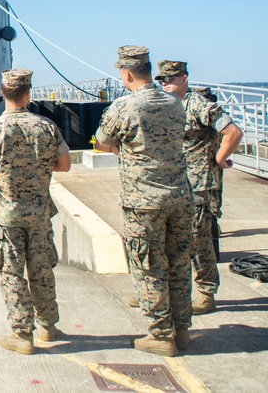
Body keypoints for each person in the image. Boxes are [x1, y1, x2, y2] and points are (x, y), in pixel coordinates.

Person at [94, 46, 194, 357]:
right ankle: (183, 329)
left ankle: (160, 335)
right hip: (180, 196)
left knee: (148, 265)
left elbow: (102, 142)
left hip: (144, 201)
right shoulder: (176, 103)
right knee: (179, 263)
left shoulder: (124, 107)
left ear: (126, 74)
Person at [0, 68, 71, 355]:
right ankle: (49, 326)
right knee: (41, 271)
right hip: (40, 214)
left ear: (3, 94)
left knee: (11, 274)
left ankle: (22, 334)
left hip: (6, 216)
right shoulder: (47, 127)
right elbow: (64, 165)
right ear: (28, 94)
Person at [155, 60, 243, 315]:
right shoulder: (169, 106)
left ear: (184, 78)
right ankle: (167, 292)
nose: (165, 84)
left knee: (198, 239)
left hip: (200, 185)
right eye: (162, 80)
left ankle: (206, 292)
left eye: (170, 79)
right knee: (172, 239)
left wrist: (219, 158)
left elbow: (233, 132)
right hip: (176, 183)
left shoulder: (198, 104)